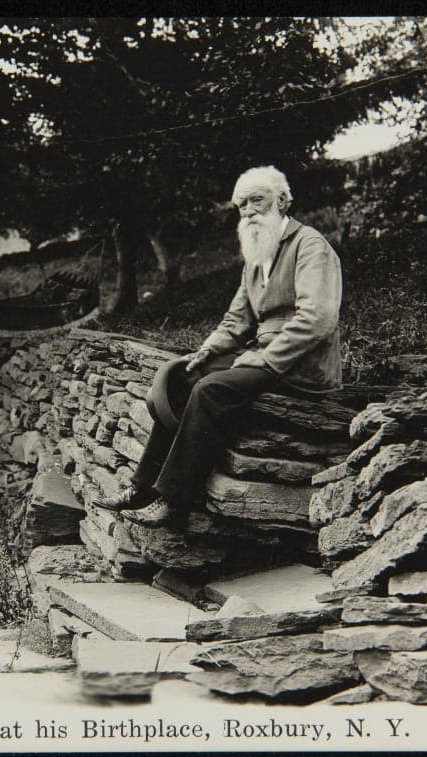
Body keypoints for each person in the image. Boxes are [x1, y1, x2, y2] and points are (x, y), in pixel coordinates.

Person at [94, 165, 342, 527]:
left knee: (210, 390)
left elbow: (318, 320)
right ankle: (141, 487)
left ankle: (174, 500)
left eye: (258, 201)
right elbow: (236, 319)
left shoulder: (310, 246)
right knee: (180, 380)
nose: (249, 212)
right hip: (263, 357)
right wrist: (207, 351)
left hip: (304, 365)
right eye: (242, 206)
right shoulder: (259, 254)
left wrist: (265, 360)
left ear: (284, 202)